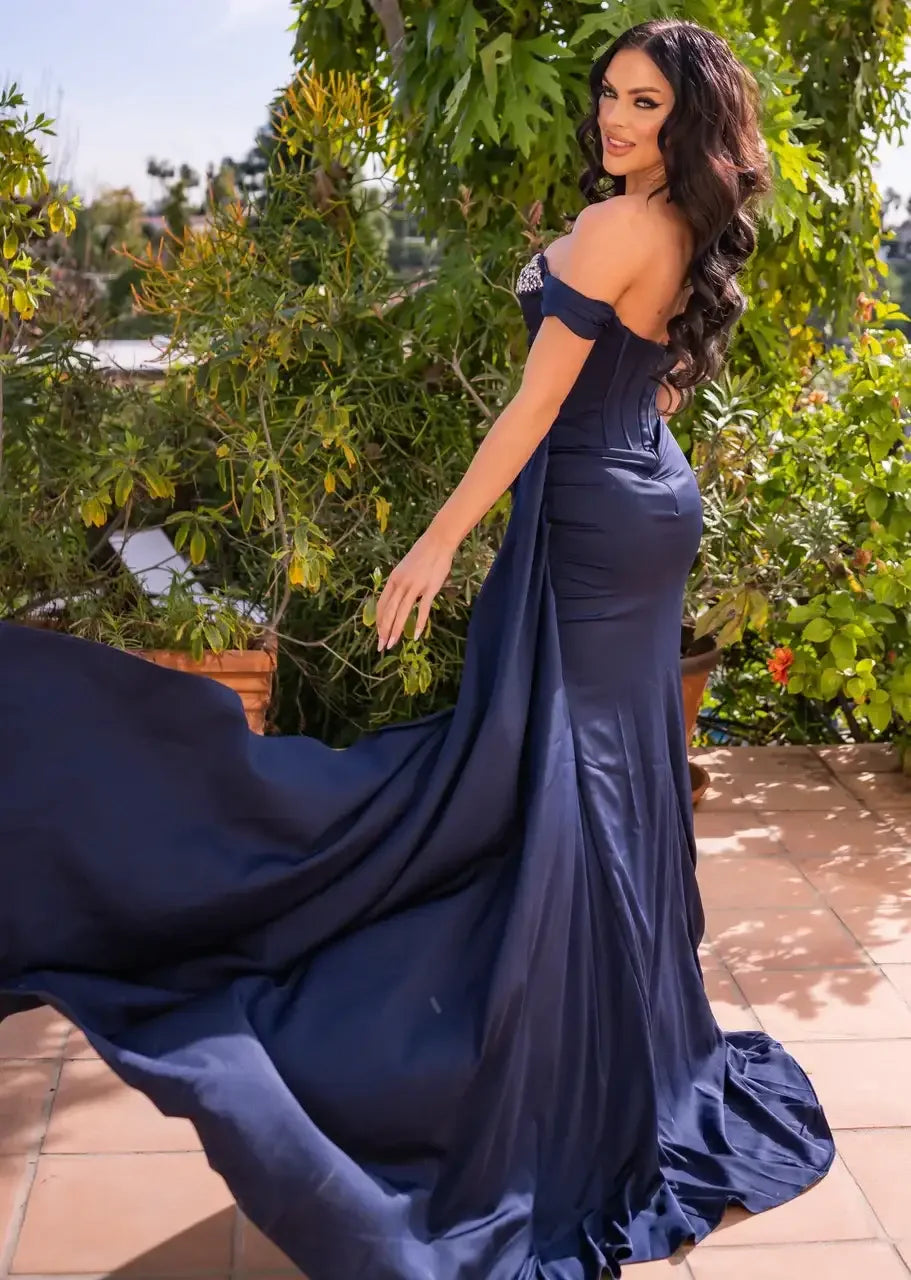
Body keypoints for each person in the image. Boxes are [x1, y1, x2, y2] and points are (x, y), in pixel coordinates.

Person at [0, 17, 833, 1280]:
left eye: (643, 103)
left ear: (690, 119)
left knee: (564, 774)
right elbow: (652, 385)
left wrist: (435, 543)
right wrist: (618, 470)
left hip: (593, 518)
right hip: (641, 499)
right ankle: (627, 1053)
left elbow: (534, 405)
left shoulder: (618, 227)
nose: (612, 119)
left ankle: (557, 1072)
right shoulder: (680, 226)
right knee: (595, 770)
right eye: (607, 95)